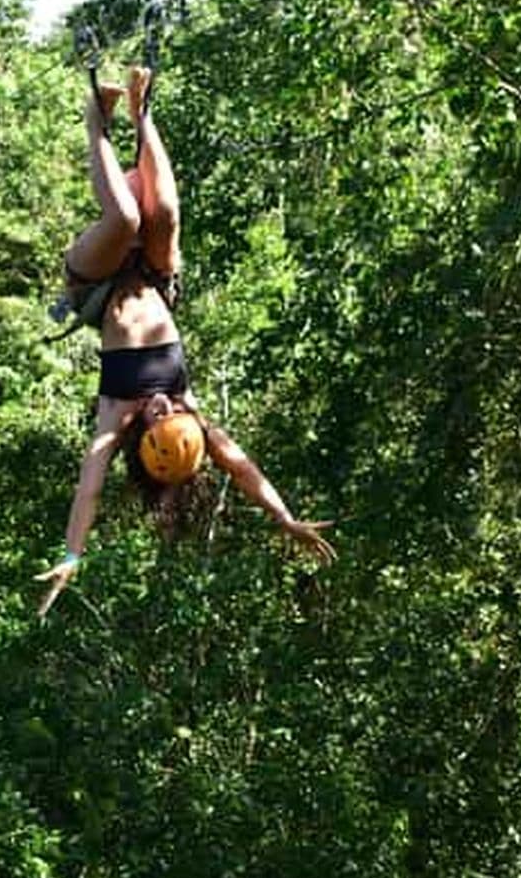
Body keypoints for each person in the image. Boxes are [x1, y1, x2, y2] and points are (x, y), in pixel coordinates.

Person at [36, 67, 335, 617]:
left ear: (142, 437)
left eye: (158, 418)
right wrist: (284, 517)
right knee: (167, 213)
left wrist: (72, 555)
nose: (164, 406)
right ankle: (141, 112)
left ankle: (95, 121)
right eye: (174, 413)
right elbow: (240, 467)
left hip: (95, 283)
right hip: (154, 276)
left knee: (125, 217)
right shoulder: (189, 413)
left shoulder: (115, 417)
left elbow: (89, 489)